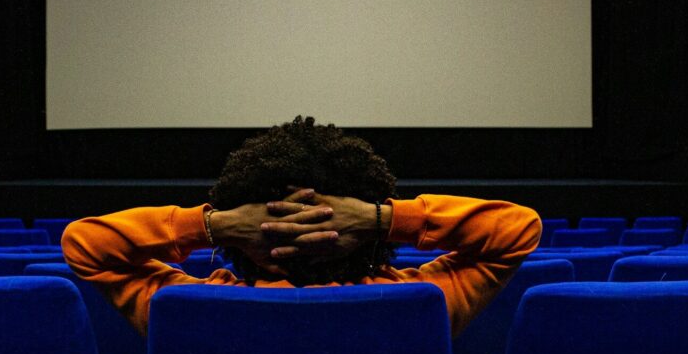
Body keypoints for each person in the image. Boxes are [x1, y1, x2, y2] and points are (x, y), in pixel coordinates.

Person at [62, 116, 541, 337]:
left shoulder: (186, 308)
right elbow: (519, 229)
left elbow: (84, 244)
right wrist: (383, 219)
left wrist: (212, 225)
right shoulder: (424, 301)